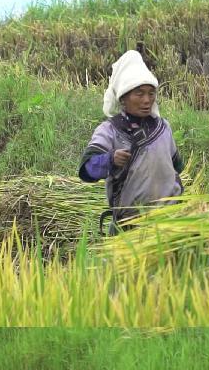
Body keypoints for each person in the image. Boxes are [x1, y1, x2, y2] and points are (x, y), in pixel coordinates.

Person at [78, 49, 183, 233]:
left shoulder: (163, 128)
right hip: (131, 227)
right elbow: (87, 170)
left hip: (170, 221)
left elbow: (177, 168)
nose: (146, 100)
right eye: (139, 93)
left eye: (151, 93)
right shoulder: (110, 131)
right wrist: (110, 160)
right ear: (124, 98)